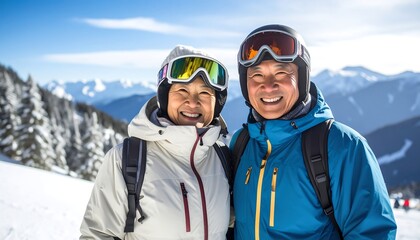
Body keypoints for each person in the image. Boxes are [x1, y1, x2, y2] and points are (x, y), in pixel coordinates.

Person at [230, 24, 397, 239]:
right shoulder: (242, 143)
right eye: (257, 75)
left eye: (282, 72)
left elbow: (373, 233)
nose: (268, 86)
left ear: (302, 78)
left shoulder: (342, 146)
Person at [80, 45, 231, 239]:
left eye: (204, 93)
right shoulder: (126, 160)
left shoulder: (222, 157)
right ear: (164, 97)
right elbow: (97, 235)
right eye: (182, 90)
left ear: (216, 103)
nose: (193, 102)